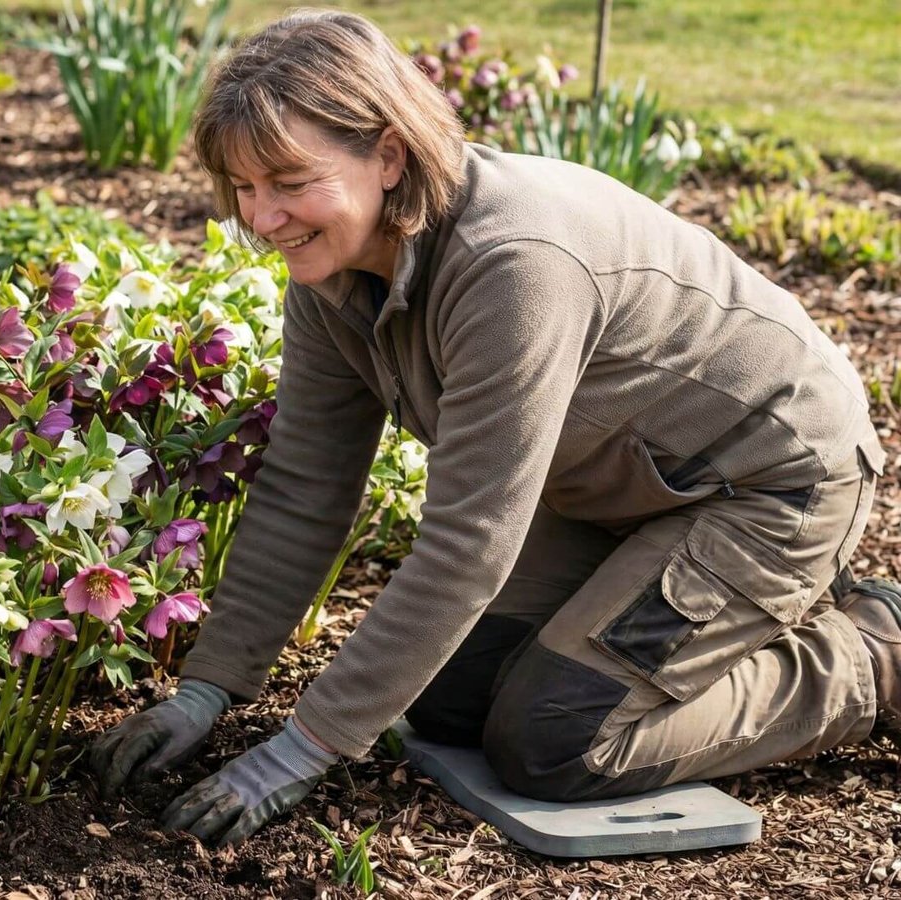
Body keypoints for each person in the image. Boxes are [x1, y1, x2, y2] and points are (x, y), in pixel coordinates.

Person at [88, 9, 901, 849]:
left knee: (558, 739)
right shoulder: (332, 277)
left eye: (290, 182)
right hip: (625, 485)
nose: (263, 218)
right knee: (447, 696)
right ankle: (720, 610)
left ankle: (875, 651)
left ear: (389, 155)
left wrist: (300, 751)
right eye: (245, 188)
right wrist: (208, 689)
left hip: (767, 482)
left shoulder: (513, 264)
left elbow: (471, 539)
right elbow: (306, 485)